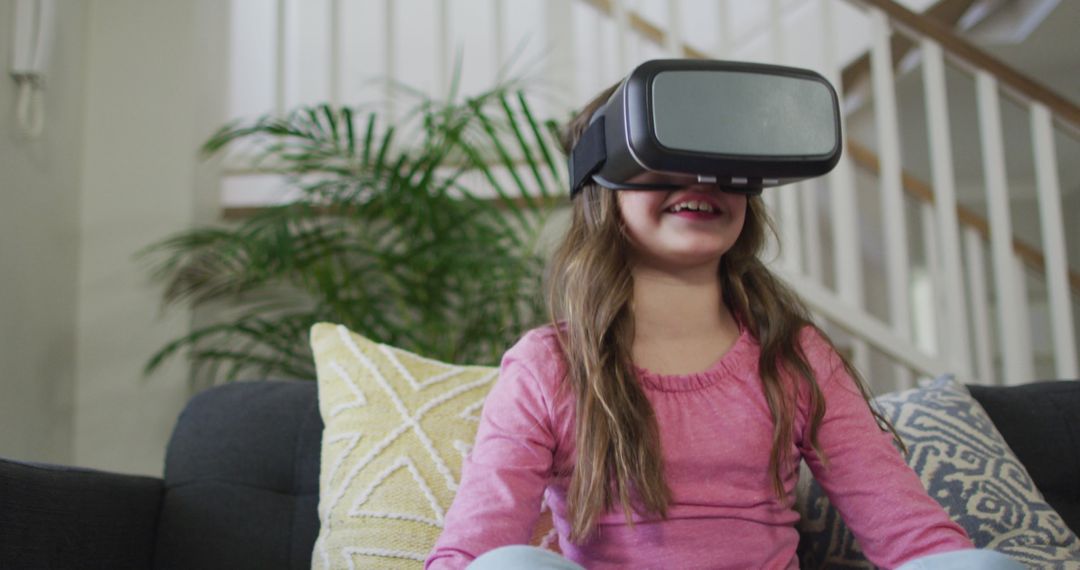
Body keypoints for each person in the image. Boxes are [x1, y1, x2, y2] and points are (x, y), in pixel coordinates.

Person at [424, 80, 1022, 569]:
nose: (703, 180)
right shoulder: (549, 364)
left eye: (722, 162)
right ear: (601, 184)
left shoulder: (796, 357)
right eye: (668, 158)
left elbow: (913, 537)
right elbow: (470, 553)